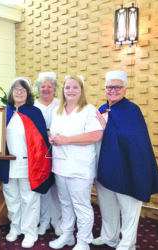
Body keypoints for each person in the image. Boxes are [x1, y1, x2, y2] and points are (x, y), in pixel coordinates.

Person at [92, 70, 158, 250]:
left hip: (126, 167)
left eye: (117, 87)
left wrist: (107, 128)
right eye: (109, 87)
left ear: (125, 89)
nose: (113, 90)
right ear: (105, 88)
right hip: (104, 166)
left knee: (129, 208)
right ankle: (109, 237)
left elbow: (133, 139)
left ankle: (127, 243)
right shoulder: (101, 109)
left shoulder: (132, 110)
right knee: (107, 205)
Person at [0, 77, 53, 249]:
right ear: (11, 93)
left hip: (29, 164)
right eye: (16, 89)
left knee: (29, 199)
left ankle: (29, 232)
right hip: (8, 163)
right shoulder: (5, 112)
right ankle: (15, 227)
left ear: (28, 94)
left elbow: (41, 141)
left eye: (23, 90)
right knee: (12, 198)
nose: (19, 92)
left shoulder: (34, 112)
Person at [48, 75, 104, 250]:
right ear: (63, 90)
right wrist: (53, 138)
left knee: (81, 205)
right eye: (67, 87)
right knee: (65, 202)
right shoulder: (57, 110)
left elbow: (96, 135)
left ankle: (83, 241)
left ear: (81, 91)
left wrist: (66, 140)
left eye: (75, 87)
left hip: (80, 167)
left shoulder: (89, 110)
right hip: (60, 165)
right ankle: (67, 235)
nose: (70, 91)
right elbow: (52, 131)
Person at [33, 72, 62, 236]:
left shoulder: (60, 104)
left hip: (58, 151)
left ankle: (57, 222)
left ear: (54, 89)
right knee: (43, 187)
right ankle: (44, 221)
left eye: (49, 86)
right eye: (42, 86)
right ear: (38, 89)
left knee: (57, 189)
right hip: (39, 152)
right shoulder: (34, 106)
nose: (46, 89)